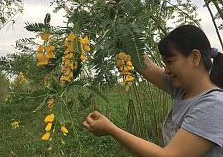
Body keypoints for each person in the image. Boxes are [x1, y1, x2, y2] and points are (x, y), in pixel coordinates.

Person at [83, 25, 223, 156]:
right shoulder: (182, 90)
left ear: (194, 57)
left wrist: (111, 130)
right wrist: (121, 26)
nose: (166, 70)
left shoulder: (213, 105)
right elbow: (147, 65)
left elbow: (168, 155)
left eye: (170, 62)